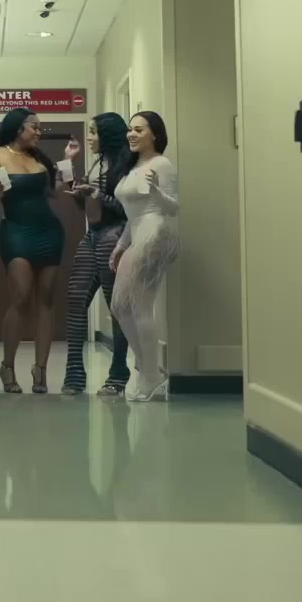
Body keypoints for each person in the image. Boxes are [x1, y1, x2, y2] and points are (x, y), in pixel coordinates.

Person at [0, 107, 76, 394]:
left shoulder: (39, 159)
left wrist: (68, 162)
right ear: (18, 127)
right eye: (34, 126)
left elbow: (55, 191)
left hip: (49, 231)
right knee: (21, 296)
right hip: (15, 230)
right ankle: (7, 366)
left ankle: (40, 369)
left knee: (46, 298)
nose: (38, 132)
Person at [109, 111, 180, 403]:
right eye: (130, 129)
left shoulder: (161, 164)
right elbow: (131, 214)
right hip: (137, 234)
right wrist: (121, 244)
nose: (132, 134)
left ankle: (150, 375)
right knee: (119, 306)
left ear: (155, 134)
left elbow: (173, 208)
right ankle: (147, 366)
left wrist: (156, 192)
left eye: (139, 129)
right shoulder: (133, 165)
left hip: (155, 233)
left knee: (140, 306)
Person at [62, 112, 134, 396]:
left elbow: (128, 208)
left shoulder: (126, 164)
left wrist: (96, 194)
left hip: (114, 235)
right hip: (92, 235)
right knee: (75, 301)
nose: (89, 137)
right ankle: (74, 373)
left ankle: (118, 373)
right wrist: (68, 163)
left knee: (116, 306)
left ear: (107, 134)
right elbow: (82, 202)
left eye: (93, 132)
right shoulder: (96, 163)